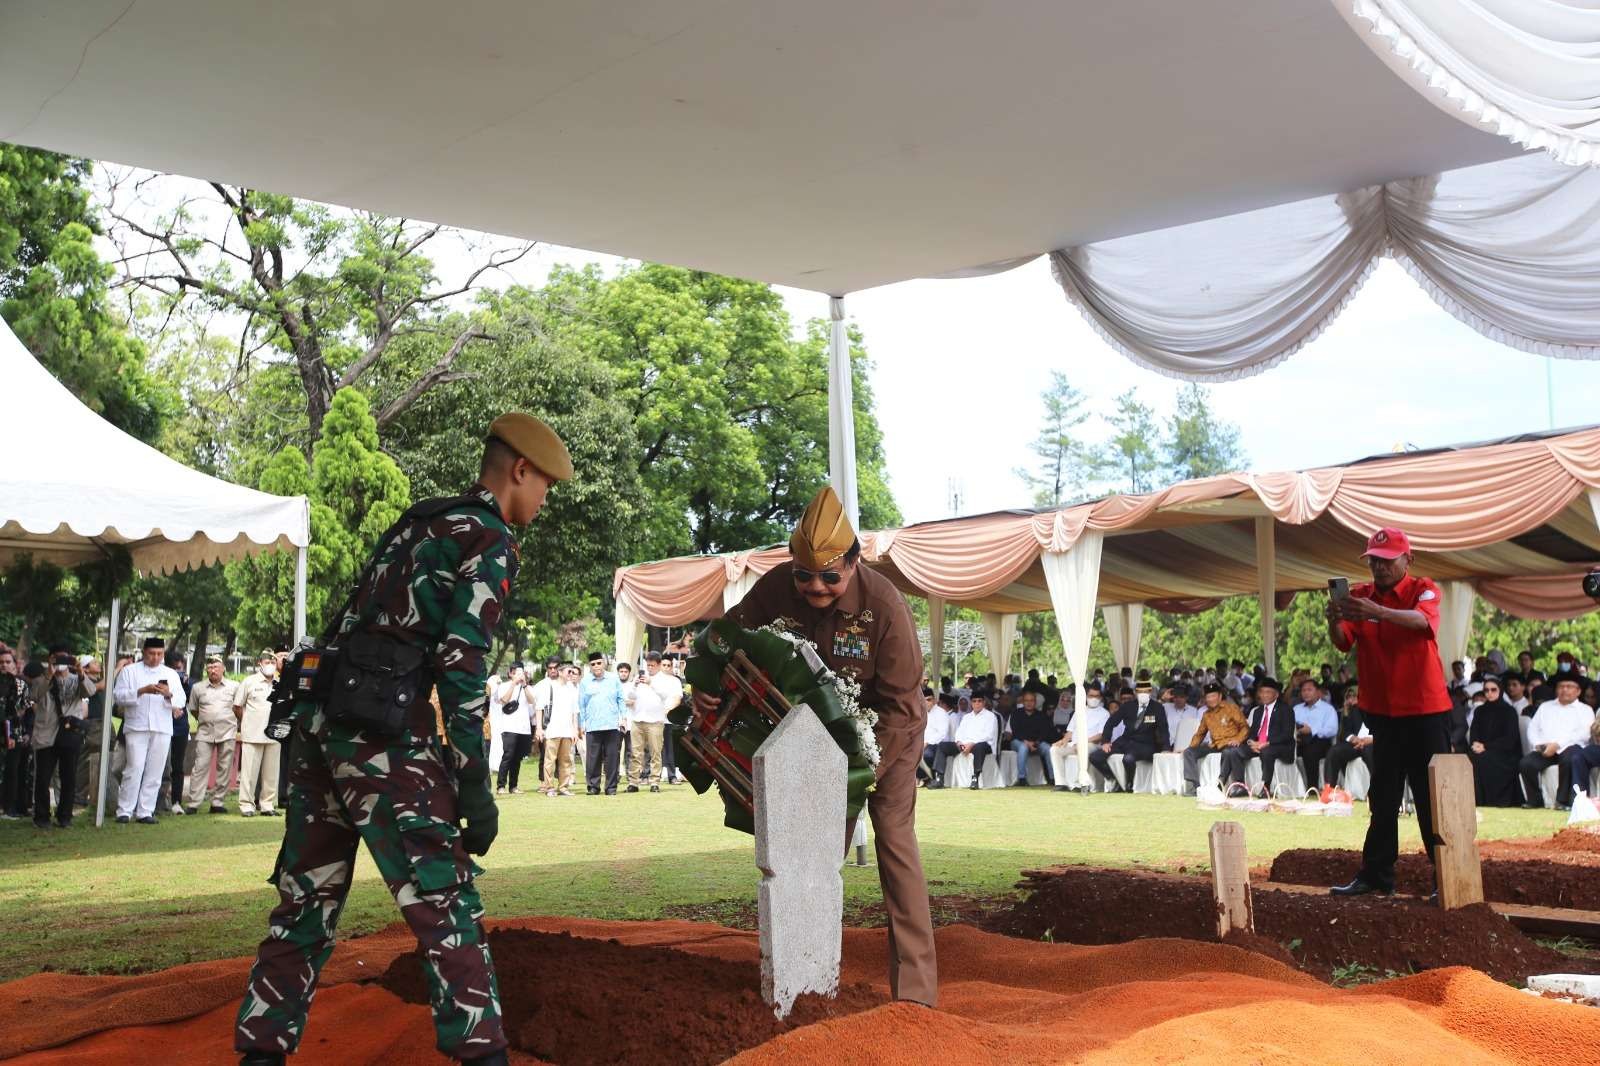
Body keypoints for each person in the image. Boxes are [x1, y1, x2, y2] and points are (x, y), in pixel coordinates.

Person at [236, 410, 571, 1066]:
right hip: (384, 740)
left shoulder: (422, 520)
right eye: (545, 487)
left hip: (319, 728)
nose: (544, 500)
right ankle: (484, 1058)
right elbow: (461, 664)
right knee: (446, 906)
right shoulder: (489, 537)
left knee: (303, 909)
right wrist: (474, 784)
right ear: (520, 471)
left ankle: (259, 1056)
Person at [712, 485, 938, 1007]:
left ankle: (917, 997)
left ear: (855, 562)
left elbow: (903, 708)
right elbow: (727, 639)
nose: (815, 587)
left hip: (888, 739)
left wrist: (854, 771)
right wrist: (709, 681)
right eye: (804, 575)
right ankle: (801, 983)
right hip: (810, 742)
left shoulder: (886, 608)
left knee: (895, 845)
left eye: (830, 576)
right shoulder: (773, 590)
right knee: (809, 850)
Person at [1326, 527, 1454, 898]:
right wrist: (1334, 618)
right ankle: (1375, 876)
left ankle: (1445, 878)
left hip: (1426, 711)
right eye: (1374, 561)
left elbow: (1422, 622)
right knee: (1383, 795)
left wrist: (1377, 612)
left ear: (1407, 559)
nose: (1379, 568)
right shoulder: (1360, 596)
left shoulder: (1424, 588)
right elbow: (1342, 642)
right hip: (1383, 712)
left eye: (1387, 560)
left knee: (1430, 797)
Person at [112, 636, 184, 824]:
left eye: (159, 654)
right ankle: (125, 810)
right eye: (151, 653)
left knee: (155, 770)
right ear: (144, 653)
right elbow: (118, 696)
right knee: (134, 768)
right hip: (137, 725)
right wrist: (141, 691)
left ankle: (145, 810)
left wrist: (168, 694)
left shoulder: (171, 674)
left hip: (161, 726)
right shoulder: (129, 672)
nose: (155, 657)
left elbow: (180, 700)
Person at [32, 650, 93, 828]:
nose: (60, 662)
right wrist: (49, 673)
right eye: (56, 658)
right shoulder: (42, 679)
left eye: (64, 658)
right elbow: (34, 695)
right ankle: (41, 817)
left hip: (69, 734)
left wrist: (80, 671)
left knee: (69, 778)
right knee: (43, 779)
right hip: (46, 734)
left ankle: (64, 816)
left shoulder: (76, 679)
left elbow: (89, 691)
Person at [1519, 674, 1595, 809]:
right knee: (1526, 764)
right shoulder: (1545, 707)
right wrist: (1539, 745)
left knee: (1570, 759)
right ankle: (1534, 800)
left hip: (1571, 747)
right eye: (1561, 686)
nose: (1565, 690)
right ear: (1556, 690)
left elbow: (1584, 733)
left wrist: (1558, 744)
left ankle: (1563, 801)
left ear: (1578, 691)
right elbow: (1533, 728)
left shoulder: (1585, 710)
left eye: (1569, 687)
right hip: (1546, 749)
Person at [1091, 677, 1169, 792]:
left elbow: (1164, 729)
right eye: (1140, 692)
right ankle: (1113, 780)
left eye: (1146, 691)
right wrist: (1106, 741)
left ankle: (1129, 785)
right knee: (1095, 757)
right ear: (1135, 692)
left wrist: (1166, 748)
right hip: (1125, 741)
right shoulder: (1128, 706)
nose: (1143, 694)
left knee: (1128, 759)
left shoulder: (1157, 708)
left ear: (1150, 692)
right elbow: (1110, 723)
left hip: (1145, 744)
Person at [184, 655, 238, 814]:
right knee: (199, 767)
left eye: (216, 667)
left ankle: (217, 802)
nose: (213, 670)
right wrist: (206, 719)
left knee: (224, 767)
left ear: (223, 669)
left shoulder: (234, 686)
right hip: (205, 733)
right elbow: (194, 709)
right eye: (210, 667)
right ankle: (194, 803)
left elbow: (239, 707)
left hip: (227, 732)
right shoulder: (198, 688)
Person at [233, 650, 282, 818]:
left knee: (271, 774)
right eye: (266, 661)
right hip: (253, 734)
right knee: (249, 773)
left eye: (272, 661)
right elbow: (237, 706)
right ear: (260, 663)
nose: (269, 664)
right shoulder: (249, 682)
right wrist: (247, 722)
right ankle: (247, 805)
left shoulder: (280, 682)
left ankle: (267, 805)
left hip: (274, 734)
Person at [1182, 682, 1249, 795]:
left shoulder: (1231, 708)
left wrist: (1238, 739)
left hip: (1230, 743)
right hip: (1215, 745)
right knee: (1189, 752)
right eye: (1208, 697)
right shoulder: (1206, 714)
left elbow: (1245, 727)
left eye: (1213, 696)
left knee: (1229, 751)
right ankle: (1193, 787)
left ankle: (1220, 785)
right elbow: (1200, 734)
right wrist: (1190, 747)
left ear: (1220, 696)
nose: (1211, 699)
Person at [1468, 676, 1523, 807]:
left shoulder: (1509, 711)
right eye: (1486, 690)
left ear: (1501, 691)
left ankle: (1493, 801)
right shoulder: (1480, 710)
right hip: (1483, 751)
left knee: (1483, 759)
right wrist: (1476, 744)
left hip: (1505, 753)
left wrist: (1486, 746)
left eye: (1493, 690)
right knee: (1471, 758)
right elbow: (1474, 732)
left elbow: (1510, 739)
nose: (1489, 693)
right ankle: (1476, 801)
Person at [578, 651, 626, 795]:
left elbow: (621, 699)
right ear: (590, 666)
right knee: (593, 759)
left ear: (604, 663)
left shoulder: (614, 679)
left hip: (612, 725)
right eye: (593, 664)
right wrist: (582, 724)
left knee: (612, 758)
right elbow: (581, 705)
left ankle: (611, 787)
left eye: (599, 663)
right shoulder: (585, 682)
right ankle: (593, 787)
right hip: (593, 726)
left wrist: (623, 717)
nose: (596, 666)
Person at [930, 690, 997, 788]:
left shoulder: (990, 716)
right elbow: (959, 733)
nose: (977, 704)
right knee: (942, 746)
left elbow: (988, 735)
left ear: (984, 702)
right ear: (971, 703)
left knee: (979, 747)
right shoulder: (967, 717)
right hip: (964, 745)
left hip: (983, 745)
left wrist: (971, 744)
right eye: (974, 701)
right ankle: (939, 778)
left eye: (979, 701)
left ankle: (975, 778)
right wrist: (960, 743)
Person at [626, 652, 670, 792]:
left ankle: (654, 782)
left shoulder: (663, 679)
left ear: (658, 665)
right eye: (648, 665)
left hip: (655, 721)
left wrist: (651, 684)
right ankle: (634, 782)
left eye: (652, 665)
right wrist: (635, 685)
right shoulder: (639, 678)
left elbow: (665, 696)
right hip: (638, 720)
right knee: (635, 753)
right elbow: (630, 696)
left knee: (655, 753)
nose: (649, 668)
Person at [0, 647, 34, 819]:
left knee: (20, 771)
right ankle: (7, 807)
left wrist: (28, 732)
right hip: (4, 735)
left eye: (8, 662)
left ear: (15, 664)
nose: (4, 666)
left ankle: (20, 806)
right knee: (7, 771)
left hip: (19, 734)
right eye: (1, 662)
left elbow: (28, 711)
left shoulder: (21, 685)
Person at [540, 663, 582, 796]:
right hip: (553, 729)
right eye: (569, 672)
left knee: (566, 760)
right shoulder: (549, 687)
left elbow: (575, 712)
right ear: (560, 672)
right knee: (550, 760)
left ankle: (563, 787)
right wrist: (539, 729)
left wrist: (575, 730)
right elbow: (539, 707)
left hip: (567, 731)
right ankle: (549, 787)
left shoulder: (572, 689)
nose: (571, 675)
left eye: (573, 672)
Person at [1292, 677, 1339, 790]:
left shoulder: (1328, 709)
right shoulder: (1296, 708)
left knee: (1310, 751)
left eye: (1309, 690)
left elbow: (1332, 729)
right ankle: (1293, 787)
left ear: (1318, 692)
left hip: (1319, 740)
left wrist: (1312, 730)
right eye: (1303, 690)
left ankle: (1312, 787)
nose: (1306, 693)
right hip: (1298, 739)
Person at [1324, 687, 1374, 789]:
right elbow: (1344, 732)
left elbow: (1387, 731)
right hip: (1357, 744)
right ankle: (1329, 789)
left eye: (1354, 696)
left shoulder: (1377, 708)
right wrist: (1352, 738)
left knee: (1368, 751)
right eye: (1348, 697)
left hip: (1373, 743)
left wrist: (1369, 740)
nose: (1351, 699)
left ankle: (1378, 789)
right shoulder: (1354, 711)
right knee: (1334, 751)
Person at [494, 666, 533, 795]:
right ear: (511, 673)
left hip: (524, 729)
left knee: (517, 758)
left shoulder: (527, 687)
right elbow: (504, 700)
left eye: (522, 673)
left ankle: (513, 786)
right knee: (508, 756)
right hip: (509, 727)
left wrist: (525, 685)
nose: (520, 675)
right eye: (517, 673)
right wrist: (513, 684)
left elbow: (532, 701)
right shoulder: (504, 686)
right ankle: (501, 786)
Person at [163, 650, 192, 814]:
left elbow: (187, 699)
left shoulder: (185, 682)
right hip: (162, 727)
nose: (178, 673)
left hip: (180, 728)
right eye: (175, 669)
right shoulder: (160, 678)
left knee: (177, 766)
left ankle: (176, 801)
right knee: (161, 766)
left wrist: (186, 683)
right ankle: (159, 800)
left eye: (180, 669)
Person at [1008, 690, 1055, 786]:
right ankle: (1022, 778)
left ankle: (1053, 778)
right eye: (1026, 700)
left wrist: (1036, 743)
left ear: (1035, 702)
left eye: (1031, 700)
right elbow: (1015, 732)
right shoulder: (1016, 713)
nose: (1029, 703)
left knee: (1048, 748)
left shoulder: (1041, 715)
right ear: (1023, 702)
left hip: (1036, 743)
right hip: (1018, 741)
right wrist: (1027, 743)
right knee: (1023, 747)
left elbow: (1044, 733)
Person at [920, 690, 953, 784]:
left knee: (927, 755)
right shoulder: (921, 713)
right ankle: (924, 778)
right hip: (922, 743)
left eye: (929, 700)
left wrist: (927, 742)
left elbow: (942, 734)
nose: (927, 702)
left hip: (937, 744)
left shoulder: (941, 713)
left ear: (934, 700)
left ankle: (932, 778)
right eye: (924, 700)